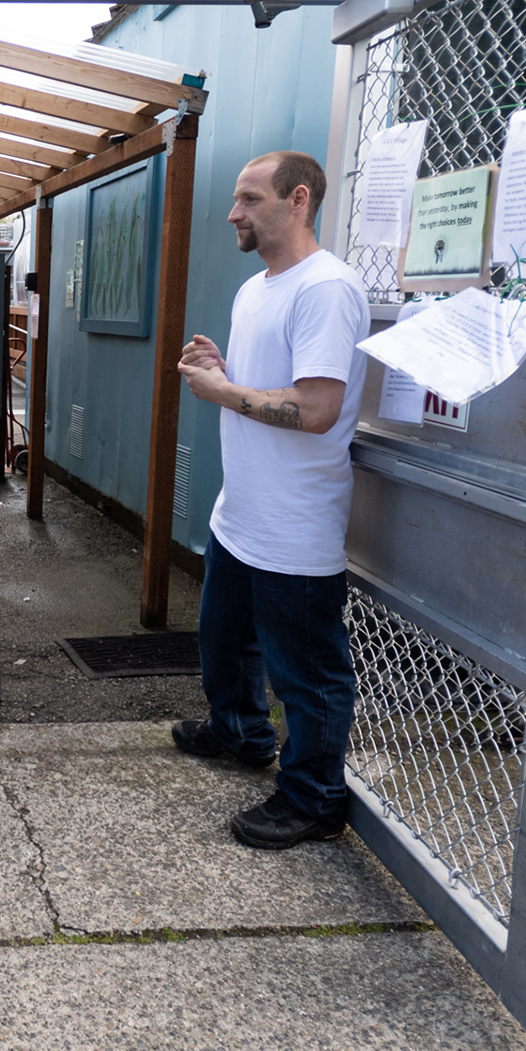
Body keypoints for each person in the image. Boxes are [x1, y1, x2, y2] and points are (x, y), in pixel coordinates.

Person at [171, 150, 369, 850]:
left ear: (299, 200)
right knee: (223, 644)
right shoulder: (257, 288)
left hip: (295, 527)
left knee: (306, 673)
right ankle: (239, 733)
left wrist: (223, 392)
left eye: (251, 199)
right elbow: (272, 387)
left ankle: (314, 798)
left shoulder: (327, 289)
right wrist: (224, 371)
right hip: (241, 517)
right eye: (238, 199)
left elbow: (316, 409)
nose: (234, 212)